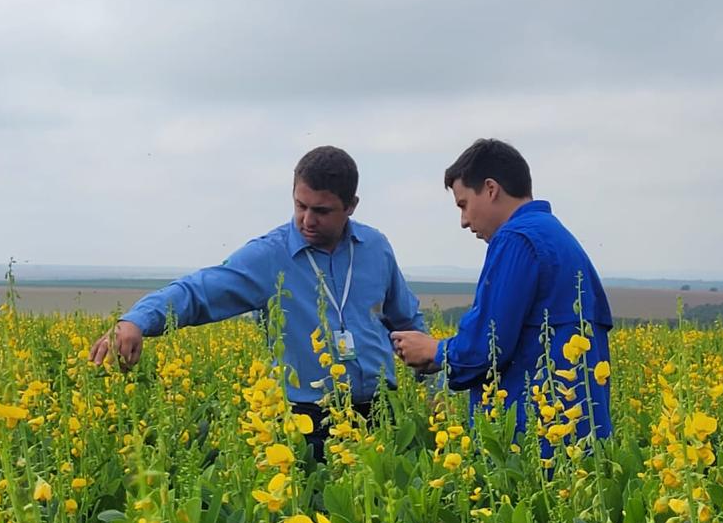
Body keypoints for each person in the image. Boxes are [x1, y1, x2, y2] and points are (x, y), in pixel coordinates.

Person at [89, 146, 425, 455]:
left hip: (381, 414)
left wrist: (438, 383)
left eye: (322, 211)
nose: (307, 220)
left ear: (351, 205)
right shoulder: (270, 254)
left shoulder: (375, 247)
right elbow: (200, 291)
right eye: (300, 205)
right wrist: (137, 320)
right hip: (308, 422)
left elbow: (408, 322)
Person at [391, 138, 612, 443]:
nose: (464, 221)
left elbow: (487, 346)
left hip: (536, 442)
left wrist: (435, 351)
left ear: (491, 189)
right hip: (578, 439)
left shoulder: (516, 239)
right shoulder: (556, 236)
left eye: (464, 204)